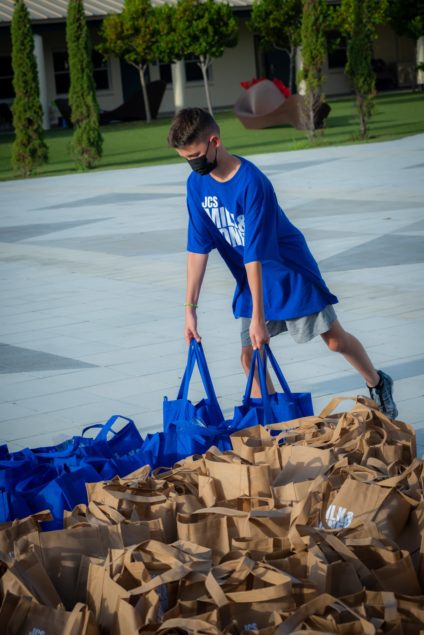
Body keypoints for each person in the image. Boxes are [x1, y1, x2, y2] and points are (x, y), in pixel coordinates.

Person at [167, 107, 398, 419]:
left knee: (334, 341)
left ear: (214, 141)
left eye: (194, 155)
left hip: (288, 271)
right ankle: (284, 427)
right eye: (185, 158)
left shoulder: (252, 183)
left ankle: (377, 381)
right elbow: (197, 249)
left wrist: (258, 319)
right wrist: (189, 311)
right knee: (250, 358)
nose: (191, 164)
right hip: (252, 280)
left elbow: (255, 254)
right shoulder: (196, 186)